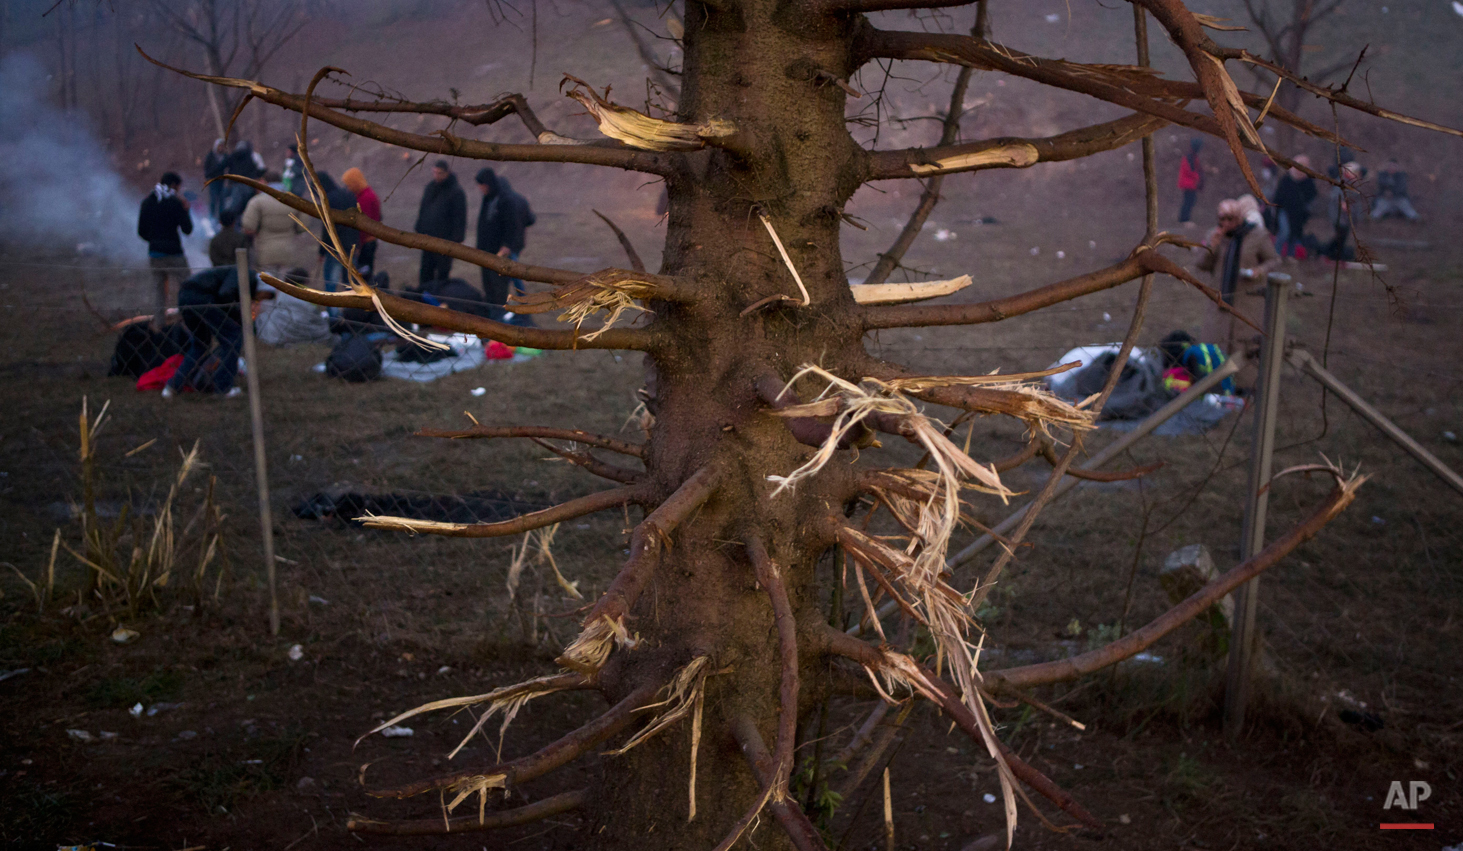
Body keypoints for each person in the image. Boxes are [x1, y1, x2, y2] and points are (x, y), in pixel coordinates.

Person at [161, 265, 259, 399]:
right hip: (201, 297)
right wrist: (238, 316)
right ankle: (223, 388)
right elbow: (225, 294)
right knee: (232, 337)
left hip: (185, 297)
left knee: (200, 344)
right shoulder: (245, 273)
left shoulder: (233, 275)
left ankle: (172, 386)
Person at [1197, 199, 1279, 354]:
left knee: (1243, 353)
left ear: (1240, 217)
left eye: (1231, 218)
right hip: (1219, 304)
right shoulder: (1215, 235)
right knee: (1214, 350)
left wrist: (1259, 270)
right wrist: (1212, 247)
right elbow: (1202, 265)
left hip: (1246, 303)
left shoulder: (1257, 236)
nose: (1226, 223)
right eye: (1222, 218)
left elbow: (1273, 260)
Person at [474, 167, 534, 322]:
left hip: (504, 250)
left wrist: (507, 245)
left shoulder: (506, 200)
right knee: (496, 282)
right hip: (490, 250)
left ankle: (504, 315)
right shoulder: (488, 199)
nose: (480, 189)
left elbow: (512, 225)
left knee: (503, 282)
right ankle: (496, 314)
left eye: (482, 185)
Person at [137, 171, 193, 327]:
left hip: (154, 253)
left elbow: (141, 231)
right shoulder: (175, 202)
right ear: (174, 185)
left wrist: (155, 241)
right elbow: (187, 229)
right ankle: (187, 320)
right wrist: (186, 210)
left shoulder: (147, 202)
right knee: (188, 286)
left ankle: (160, 325)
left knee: (159, 292)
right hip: (174, 253)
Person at [414, 160, 467, 285]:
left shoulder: (456, 192)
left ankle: (438, 301)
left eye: (439, 173)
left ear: (447, 173)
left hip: (445, 241)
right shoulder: (430, 187)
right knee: (425, 273)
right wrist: (419, 227)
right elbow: (423, 209)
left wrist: (456, 240)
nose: (436, 176)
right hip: (427, 239)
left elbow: (460, 218)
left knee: (442, 276)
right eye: (435, 172)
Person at [241, 171, 304, 276]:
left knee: (267, 286)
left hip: (265, 252)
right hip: (288, 251)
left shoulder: (257, 201)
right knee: (286, 284)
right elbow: (303, 227)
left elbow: (248, 227)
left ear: (265, 182)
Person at [316, 172, 361, 290]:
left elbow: (327, 229)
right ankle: (351, 308)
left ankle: (333, 309)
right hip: (351, 246)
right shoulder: (350, 195)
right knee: (352, 285)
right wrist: (357, 245)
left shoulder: (328, 200)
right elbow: (357, 223)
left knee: (331, 284)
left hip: (334, 248)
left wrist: (322, 251)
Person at [1271, 155, 1316, 259]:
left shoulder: (1308, 182)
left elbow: (1312, 196)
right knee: (1284, 232)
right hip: (1284, 211)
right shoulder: (1286, 180)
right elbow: (1279, 196)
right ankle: (1275, 255)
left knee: (1294, 235)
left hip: (1299, 214)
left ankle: (1289, 256)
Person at [342, 167, 381, 277]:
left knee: (363, 276)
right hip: (369, 240)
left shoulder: (365, 198)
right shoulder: (367, 194)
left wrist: (358, 244)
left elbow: (363, 225)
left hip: (366, 242)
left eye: (349, 185)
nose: (348, 188)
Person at [1323, 162, 1362, 262]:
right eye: (1356, 172)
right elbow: (1336, 196)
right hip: (1338, 215)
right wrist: (1343, 204)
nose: (1358, 175)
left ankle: (1335, 255)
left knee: (1342, 236)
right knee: (1340, 236)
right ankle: (1329, 254)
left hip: (1346, 217)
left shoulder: (1352, 183)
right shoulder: (1341, 181)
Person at [1176, 138, 1205, 225]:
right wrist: (1197, 176)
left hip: (1190, 183)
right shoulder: (1189, 157)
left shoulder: (1192, 157)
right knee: (1188, 201)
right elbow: (1189, 170)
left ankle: (1184, 218)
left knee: (1189, 201)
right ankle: (1184, 219)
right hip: (1188, 183)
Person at [203, 138, 229, 223]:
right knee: (213, 198)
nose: (221, 148)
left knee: (222, 199)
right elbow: (206, 167)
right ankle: (212, 217)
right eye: (219, 146)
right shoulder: (211, 155)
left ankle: (221, 218)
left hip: (221, 180)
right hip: (212, 179)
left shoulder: (225, 156)